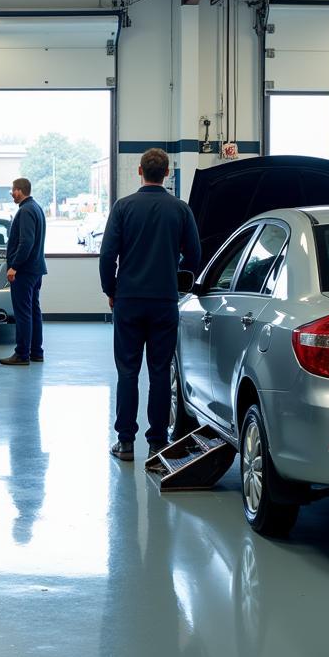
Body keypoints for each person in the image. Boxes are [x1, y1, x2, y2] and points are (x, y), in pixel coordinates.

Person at [99, 147, 200, 461]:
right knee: (159, 372)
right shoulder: (180, 210)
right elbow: (195, 256)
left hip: (128, 300)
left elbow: (107, 256)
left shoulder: (123, 207)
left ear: (139, 172)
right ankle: (157, 443)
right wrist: (173, 271)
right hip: (164, 302)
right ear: (167, 173)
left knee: (127, 372)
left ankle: (125, 442)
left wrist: (111, 290)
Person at [0, 177, 48, 366]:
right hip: (35, 269)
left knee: (23, 313)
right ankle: (36, 352)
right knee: (34, 311)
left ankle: (22, 354)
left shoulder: (26, 210)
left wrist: (14, 266)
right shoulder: (36, 208)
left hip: (25, 271)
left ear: (20, 190)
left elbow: (26, 242)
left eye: (13, 190)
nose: (12, 193)